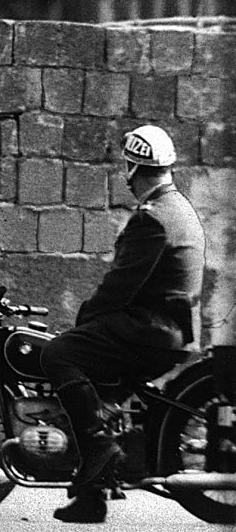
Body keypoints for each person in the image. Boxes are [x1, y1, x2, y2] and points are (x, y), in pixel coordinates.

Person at [40, 124, 204, 523]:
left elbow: (120, 286)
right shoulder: (180, 208)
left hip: (150, 331)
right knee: (91, 375)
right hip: (169, 331)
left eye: (127, 169)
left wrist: (82, 320)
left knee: (58, 352)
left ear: (133, 168)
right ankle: (91, 497)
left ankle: (97, 447)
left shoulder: (152, 218)